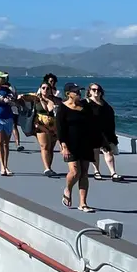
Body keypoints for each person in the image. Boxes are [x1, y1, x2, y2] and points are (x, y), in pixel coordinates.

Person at [56, 83, 98, 212]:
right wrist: (64, 146)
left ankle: (83, 203)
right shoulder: (62, 108)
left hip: (85, 143)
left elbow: (92, 123)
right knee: (75, 172)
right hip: (70, 144)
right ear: (68, 94)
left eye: (79, 91)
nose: (79, 93)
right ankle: (68, 189)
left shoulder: (85, 106)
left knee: (84, 173)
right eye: (76, 92)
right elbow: (60, 129)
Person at [87, 83, 122, 181]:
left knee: (108, 152)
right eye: (94, 90)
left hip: (105, 132)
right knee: (95, 152)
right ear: (89, 91)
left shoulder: (106, 105)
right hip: (92, 132)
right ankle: (96, 171)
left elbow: (111, 120)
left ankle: (113, 173)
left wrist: (113, 134)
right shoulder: (86, 104)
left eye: (98, 90)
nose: (96, 91)